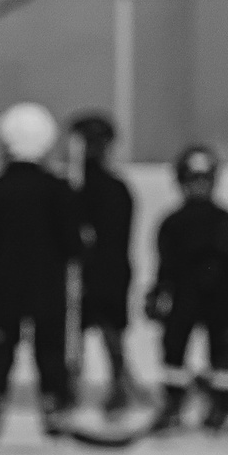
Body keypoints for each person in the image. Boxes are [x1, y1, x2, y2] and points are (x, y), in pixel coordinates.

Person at [0, 103, 82, 440]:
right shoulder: (60, 191)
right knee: (50, 350)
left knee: (0, 350)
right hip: (48, 288)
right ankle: (53, 408)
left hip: (2, 289)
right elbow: (74, 245)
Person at [144, 144, 228, 433]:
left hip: (220, 299)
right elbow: (164, 264)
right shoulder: (173, 222)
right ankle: (174, 403)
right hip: (184, 296)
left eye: (203, 180)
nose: (198, 187)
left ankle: (223, 404)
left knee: (222, 354)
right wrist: (157, 293)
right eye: (193, 181)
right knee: (174, 351)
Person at [64, 111, 138, 417]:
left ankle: (116, 387)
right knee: (77, 336)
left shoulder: (103, 189)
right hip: (95, 271)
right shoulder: (80, 188)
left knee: (106, 333)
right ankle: (73, 389)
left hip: (104, 271)